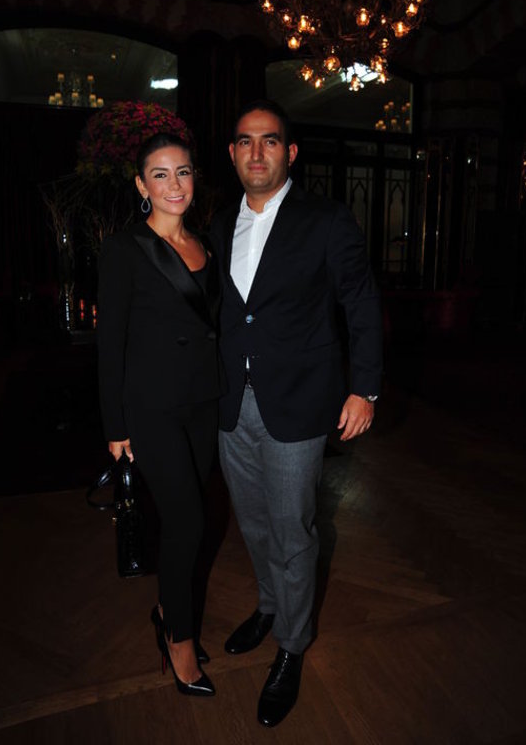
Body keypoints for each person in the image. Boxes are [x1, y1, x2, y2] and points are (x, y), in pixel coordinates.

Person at [208, 99, 383, 727]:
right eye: (245, 141)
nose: (257, 152)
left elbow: (361, 303)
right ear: (232, 153)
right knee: (254, 524)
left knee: (293, 530)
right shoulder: (216, 219)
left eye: (270, 141)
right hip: (231, 403)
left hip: (301, 402)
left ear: (291, 152)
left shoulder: (326, 220)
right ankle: (268, 606)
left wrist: (365, 389)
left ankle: (292, 643)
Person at [97, 131, 222, 697]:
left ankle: (168, 608)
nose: (175, 184)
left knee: (189, 521)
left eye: (184, 172)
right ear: (142, 184)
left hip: (203, 403)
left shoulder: (205, 243)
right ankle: (179, 639)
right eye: (161, 174)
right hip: (152, 409)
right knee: (188, 522)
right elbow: (110, 345)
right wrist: (115, 426)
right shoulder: (125, 249)